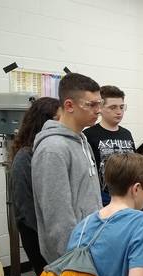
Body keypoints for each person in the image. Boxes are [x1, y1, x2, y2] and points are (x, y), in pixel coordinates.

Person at [32, 73, 103, 262]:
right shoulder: (53, 149)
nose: (98, 110)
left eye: (100, 103)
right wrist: (74, 259)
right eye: (91, 105)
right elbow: (57, 219)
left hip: (91, 248)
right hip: (72, 259)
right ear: (69, 105)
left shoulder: (83, 141)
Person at [10, 97, 60, 276]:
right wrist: (49, 237)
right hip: (37, 235)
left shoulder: (54, 151)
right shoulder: (25, 157)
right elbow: (25, 209)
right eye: (58, 119)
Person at [84, 85, 135, 206]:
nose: (119, 112)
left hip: (128, 198)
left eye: (122, 107)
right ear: (100, 108)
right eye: (113, 107)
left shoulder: (126, 134)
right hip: (103, 201)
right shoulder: (89, 135)